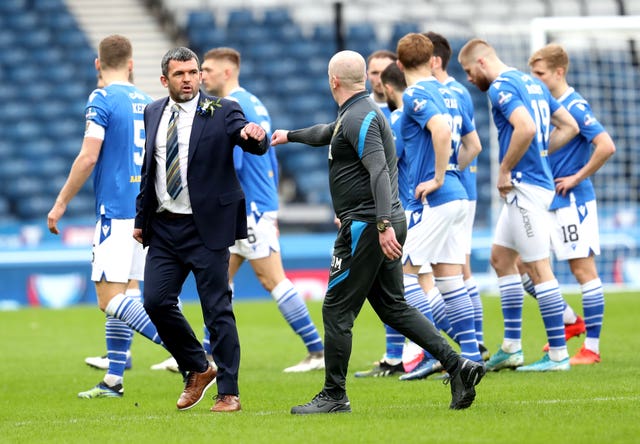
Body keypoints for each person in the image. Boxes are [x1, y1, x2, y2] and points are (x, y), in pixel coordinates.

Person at [271, 50, 485, 414]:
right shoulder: (356, 114)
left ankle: (334, 395)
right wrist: (289, 135)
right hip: (374, 223)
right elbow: (329, 132)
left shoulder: (359, 117)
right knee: (393, 307)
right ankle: (458, 365)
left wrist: (383, 224)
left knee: (336, 310)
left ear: (332, 81)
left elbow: (379, 172)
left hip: (368, 225)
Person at [134, 47, 268, 413]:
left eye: (193, 72)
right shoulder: (153, 111)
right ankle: (196, 365)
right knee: (155, 301)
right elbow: (152, 169)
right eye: (180, 74)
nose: (189, 79)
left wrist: (255, 135)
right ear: (165, 80)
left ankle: (228, 393)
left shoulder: (222, 110)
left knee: (216, 310)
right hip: (163, 227)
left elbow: (252, 141)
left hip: (206, 227)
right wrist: (140, 220)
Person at [47, 35, 164, 398]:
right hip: (145, 214)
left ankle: (189, 353)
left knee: (107, 299)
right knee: (128, 291)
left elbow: (88, 156)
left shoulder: (101, 98)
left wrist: (61, 202)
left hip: (115, 212)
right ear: (131, 64)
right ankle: (114, 379)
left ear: (98, 64)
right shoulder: (148, 101)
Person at [197, 47, 325, 373]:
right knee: (218, 279)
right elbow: (268, 157)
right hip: (253, 202)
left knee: (273, 279)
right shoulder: (254, 103)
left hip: (248, 206)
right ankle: (203, 355)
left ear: (227, 72)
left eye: (208, 69)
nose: (202, 75)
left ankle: (318, 350)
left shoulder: (233, 106)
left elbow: (233, 162)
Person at [458, 39, 579, 371]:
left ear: (481, 63)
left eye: (469, 71)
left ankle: (557, 355)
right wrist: (540, 152)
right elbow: (569, 126)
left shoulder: (501, 87)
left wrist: (507, 167)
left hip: (525, 188)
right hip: (526, 186)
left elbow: (525, 127)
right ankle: (512, 348)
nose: (469, 78)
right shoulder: (531, 83)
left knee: (539, 269)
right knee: (501, 259)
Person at [397, 33, 483, 368]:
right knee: (449, 277)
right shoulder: (453, 92)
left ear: (400, 63)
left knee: (402, 276)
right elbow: (474, 146)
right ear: (431, 59)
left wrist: (437, 177)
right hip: (459, 196)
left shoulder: (415, 94)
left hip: (434, 199)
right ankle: (472, 357)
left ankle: (439, 354)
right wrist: (451, 172)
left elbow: (441, 132)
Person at [526, 43, 615, 364]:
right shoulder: (546, 105)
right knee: (525, 265)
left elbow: (606, 145)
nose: (534, 80)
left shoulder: (574, 106)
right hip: (546, 200)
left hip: (571, 201)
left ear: (559, 72)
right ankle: (568, 320)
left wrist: (577, 177)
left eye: (540, 74)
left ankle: (591, 348)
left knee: (583, 270)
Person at [424, 31, 489, 360]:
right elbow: (474, 145)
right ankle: (474, 344)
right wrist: (455, 169)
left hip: (437, 192)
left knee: (419, 271)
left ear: (433, 60)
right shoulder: (461, 93)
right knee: (459, 269)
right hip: (464, 190)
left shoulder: (425, 93)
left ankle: (446, 349)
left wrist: (443, 172)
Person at [354, 49, 406, 378]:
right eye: (371, 72)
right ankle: (395, 356)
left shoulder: (401, 113)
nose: (376, 78)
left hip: (400, 208)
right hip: (380, 209)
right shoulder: (367, 113)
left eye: (380, 72)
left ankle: (449, 351)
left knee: (408, 286)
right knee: (392, 287)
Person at [366, 50, 397, 121]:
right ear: (367, 75)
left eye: (385, 73)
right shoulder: (360, 109)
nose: (380, 80)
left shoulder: (408, 108)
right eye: (375, 73)